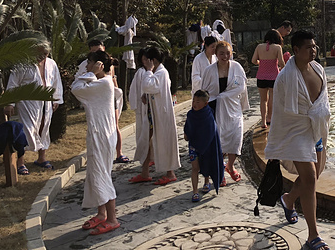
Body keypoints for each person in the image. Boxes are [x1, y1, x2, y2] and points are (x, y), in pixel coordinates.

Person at [265, 30, 331, 250]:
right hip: (296, 131)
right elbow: (281, 113)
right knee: (310, 178)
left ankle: (289, 199)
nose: (313, 50)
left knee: (314, 175)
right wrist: (278, 139)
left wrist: (321, 120)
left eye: (314, 46)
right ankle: (313, 235)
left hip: (315, 128)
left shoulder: (318, 69)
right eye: (308, 47)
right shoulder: (285, 77)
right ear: (296, 50)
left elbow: (323, 101)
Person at [71, 50, 122, 235]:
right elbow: (78, 84)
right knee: (96, 174)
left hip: (102, 135)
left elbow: (76, 88)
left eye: (89, 62)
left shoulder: (103, 83)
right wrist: (91, 73)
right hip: (99, 134)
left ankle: (112, 219)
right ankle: (101, 214)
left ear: (99, 65)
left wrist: (92, 73)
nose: (86, 66)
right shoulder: (99, 82)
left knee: (102, 175)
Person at [4, 41, 63, 174]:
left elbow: (56, 82)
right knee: (26, 130)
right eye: (39, 53)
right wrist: (10, 103)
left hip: (46, 102)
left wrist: (57, 99)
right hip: (28, 102)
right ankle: (21, 162)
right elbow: (13, 83)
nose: (42, 57)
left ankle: (41, 158)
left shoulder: (51, 64)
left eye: (45, 54)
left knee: (44, 127)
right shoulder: (22, 64)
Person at [129, 47, 180, 185]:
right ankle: (145, 172)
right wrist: (146, 95)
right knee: (147, 142)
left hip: (161, 115)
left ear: (154, 60)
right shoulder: (156, 73)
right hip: (152, 115)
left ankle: (170, 173)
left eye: (147, 59)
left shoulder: (161, 72)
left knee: (163, 142)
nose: (145, 62)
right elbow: (150, 89)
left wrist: (149, 71)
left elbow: (148, 86)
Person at [202, 41, 249, 185]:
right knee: (219, 140)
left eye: (228, 53)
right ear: (216, 54)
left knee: (236, 137)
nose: (225, 56)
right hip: (215, 108)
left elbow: (242, 86)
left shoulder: (237, 67)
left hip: (233, 107)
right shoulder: (209, 70)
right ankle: (220, 170)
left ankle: (230, 165)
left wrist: (225, 96)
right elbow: (204, 91)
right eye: (221, 53)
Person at [76, 39, 127, 164]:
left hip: (108, 95)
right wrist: (92, 74)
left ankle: (118, 152)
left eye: (98, 50)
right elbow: (80, 82)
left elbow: (112, 79)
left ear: (103, 48)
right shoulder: (86, 65)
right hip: (95, 95)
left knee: (114, 125)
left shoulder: (108, 63)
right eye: (93, 52)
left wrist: (116, 93)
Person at [183, 90, 224, 202]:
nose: (194, 104)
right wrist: (186, 134)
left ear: (205, 103)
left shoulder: (208, 115)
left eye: (198, 102)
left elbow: (211, 133)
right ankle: (195, 191)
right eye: (193, 101)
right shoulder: (191, 115)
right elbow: (187, 129)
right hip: (194, 146)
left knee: (206, 165)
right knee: (195, 168)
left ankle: (206, 181)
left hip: (207, 147)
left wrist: (205, 144)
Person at [252, 29, 285, 128]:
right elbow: (281, 62)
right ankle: (269, 118)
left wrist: (260, 63)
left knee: (263, 100)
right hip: (273, 77)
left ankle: (263, 121)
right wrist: (281, 68)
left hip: (261, 76)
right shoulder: (277, 47)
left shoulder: (259, 47)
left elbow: (253, 60)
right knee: (272, 98)